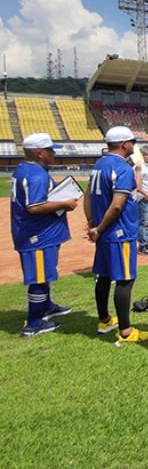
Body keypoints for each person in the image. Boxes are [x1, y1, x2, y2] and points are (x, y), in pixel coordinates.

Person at [85, 126, 148, 345]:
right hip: (120, 231)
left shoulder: (98, 165)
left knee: (104, 276)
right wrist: (98, 228)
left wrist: (93, 225)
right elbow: (117, 206)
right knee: (125, 279)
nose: (134, 146)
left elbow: (87, 196)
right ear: (125, 144)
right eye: (132, 142)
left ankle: (105, 320)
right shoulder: (123, 169)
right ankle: (126, 331)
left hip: (104, 232)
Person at [11, 133, 77, 336]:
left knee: (45, 274)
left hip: (38, 232)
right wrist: (64, 203)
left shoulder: (25, 169)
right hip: (37, 235)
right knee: (39, 277)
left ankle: (46, 306)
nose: (53, 153)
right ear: (40, 153)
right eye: (50, 150)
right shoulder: (36, 174)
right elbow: (34, 206)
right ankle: (33, 322)